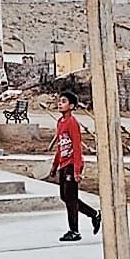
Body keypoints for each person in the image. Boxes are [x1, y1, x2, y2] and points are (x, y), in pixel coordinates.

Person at [45, 90, 102, 242]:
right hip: (63, 164)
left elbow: (77, 146)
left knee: (71, 198)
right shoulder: (60, 122)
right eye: (59, 101)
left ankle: (74, 231)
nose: (60, 104)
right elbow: (60, 146)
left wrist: (77, 169)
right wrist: (54, 165)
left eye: (63, 102)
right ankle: (94, 214)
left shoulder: (72, 123)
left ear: (71, 106)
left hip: (71, 164)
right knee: (65, 197)